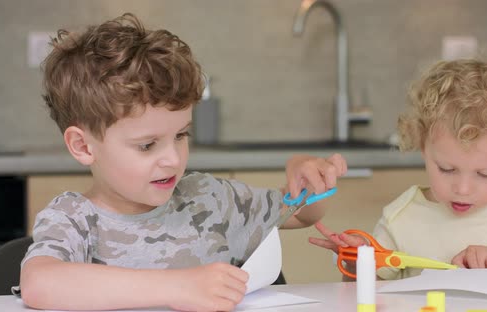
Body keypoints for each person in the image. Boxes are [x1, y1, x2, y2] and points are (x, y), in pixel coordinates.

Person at [19, 13, 347, 311]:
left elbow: (301, 214)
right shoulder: (74, 221)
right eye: (147, 145)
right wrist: (177, 287)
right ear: (83, 146)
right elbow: (39, 284)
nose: (174, 159)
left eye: (181, 135)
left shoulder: (210, 200)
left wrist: (307, 173)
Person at [309, 57, 487, 280]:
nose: (462, 189)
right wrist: (359, 261)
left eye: (484, 174)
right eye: (447, 169)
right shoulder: (400, 219)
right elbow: (363, 295)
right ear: (423, 146)